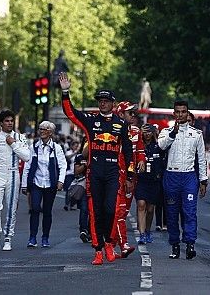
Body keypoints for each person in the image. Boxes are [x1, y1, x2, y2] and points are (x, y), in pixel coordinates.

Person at [58, 72, 134, 265]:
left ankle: (109, 242)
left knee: (110, 209)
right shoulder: (91, 121)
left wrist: (130, 176)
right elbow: (71, 113)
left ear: (113, 104)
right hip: (95, 172)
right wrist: (65, 92)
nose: (102, 104)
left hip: (112, 172)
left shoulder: (122, 124)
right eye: (100, 101)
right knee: (95, 211)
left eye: (106, 101)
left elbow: (128, 151)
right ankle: (98, 249)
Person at [157, 100, 208, 260]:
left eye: (183, 112)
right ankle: (175, 245)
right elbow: (161, 146)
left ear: (187, 113)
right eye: (177, 112)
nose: (180, 114)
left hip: (189, 177)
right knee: (171, 214)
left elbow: (201, 159)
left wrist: (203, 181)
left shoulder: (197, 134)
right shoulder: (166, 132)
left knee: (189, 212)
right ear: (174, 114)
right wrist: (173, 133)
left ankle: (190, 244)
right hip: (171, 176)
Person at [0, 109, 30, 251]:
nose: (9, 123)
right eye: (7, 121)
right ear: (2, 123)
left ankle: (8, 238)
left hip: (13, 174)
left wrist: (13, 144)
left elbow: (27, 157)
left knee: (11, 208)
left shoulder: (20, 137)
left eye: (11, 121)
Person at [21, 120, 66, 249]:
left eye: (44, 129)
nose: (41, 131)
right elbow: (27, 166)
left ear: (50, 132)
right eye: (40, 129)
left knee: (47, 211)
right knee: (34, 209)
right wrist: (25, 185)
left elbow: (63, 166)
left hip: (50, 184)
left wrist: (60, 181)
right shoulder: (34, 147)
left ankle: (45, 237)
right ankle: (32, 237)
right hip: (36, 183)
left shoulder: (56, 148)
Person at [110, 101, 146, 258]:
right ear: (121, 114)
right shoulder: (112, 131)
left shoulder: (137, 131)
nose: (133, 116)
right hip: (116, 175)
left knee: (122, 213)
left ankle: (111, 244)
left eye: (134, 113)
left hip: (131, 177)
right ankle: (121, 244)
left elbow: (140, 151)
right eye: (130, 113)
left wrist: (142, 160)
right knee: (118, 211)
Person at [136, 124, 164, 244]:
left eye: (149, 132)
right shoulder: (138, 146)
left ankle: (147, 231)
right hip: (141, 180)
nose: (147, 134)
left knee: (150, 208)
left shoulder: (158, 146)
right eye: (145, 132)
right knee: (141, 204)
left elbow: (164, 161)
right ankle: (142, 234)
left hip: (154, 181)